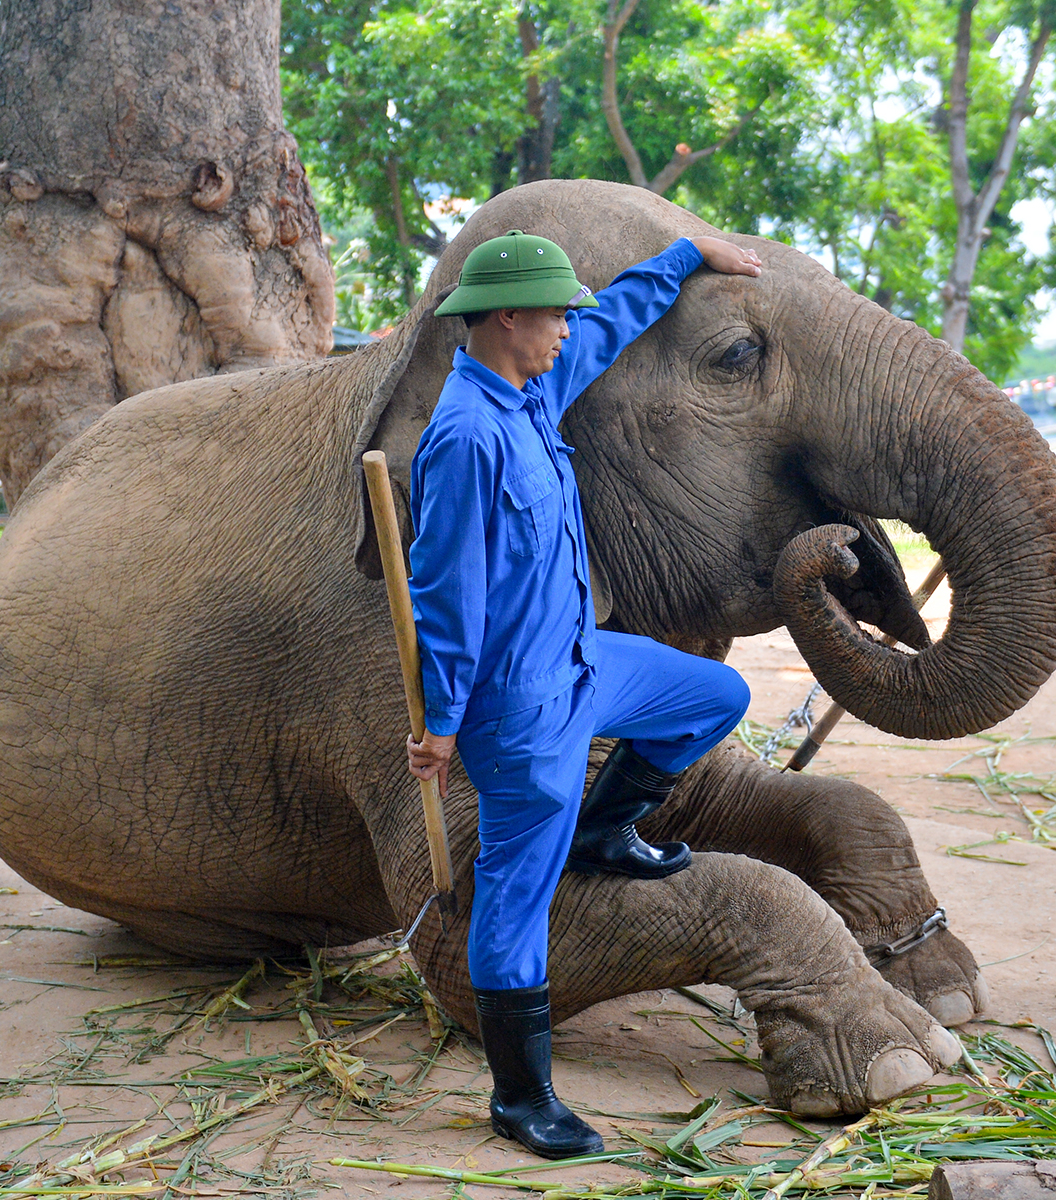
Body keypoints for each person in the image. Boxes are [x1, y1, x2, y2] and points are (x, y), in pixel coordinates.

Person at [404, 228, 761, 1157]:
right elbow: (446, 597)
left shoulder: (528, 394)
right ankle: (521, 1097)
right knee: (514, 897)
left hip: (583, 663)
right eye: (556, 312)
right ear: (507, 316)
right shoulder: (465, 438)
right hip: (521, 711)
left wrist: (684, 258)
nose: (569, 327)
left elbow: (608, 334)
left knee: (713, 696)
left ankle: (607, 830)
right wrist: (441, 724)